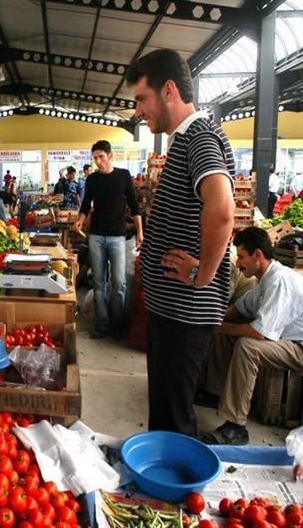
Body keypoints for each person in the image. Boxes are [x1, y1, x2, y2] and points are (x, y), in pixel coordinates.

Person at [126, 48, 235, 437]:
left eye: (142, 98)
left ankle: (178, 496)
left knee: (173, 421)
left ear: (168, 90)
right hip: (172, 309)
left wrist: (201, 273)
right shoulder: (186, 140)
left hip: (185, 311)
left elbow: (221, 209)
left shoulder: (199, 138)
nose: (138, 110)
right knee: (165, 415)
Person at [198, 228, 303, 445]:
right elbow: (239, 308)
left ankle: (236, 426)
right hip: (285, 339)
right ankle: (215, 393)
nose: (238, 264)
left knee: (248, 346)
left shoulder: (279, 280)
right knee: (223, 328)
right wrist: (214, 318)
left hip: (299, 346)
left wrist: (221, 327)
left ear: (258, 255)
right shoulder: (264, 279)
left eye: (242, 257)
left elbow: (259, 333)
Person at [74, 141, 142, 339]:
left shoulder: (123, 176)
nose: (98, 161)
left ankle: (117, 326)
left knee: (119, 283)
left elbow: (135, 206)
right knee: (99, 282)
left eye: (101, 157)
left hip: (117, 238)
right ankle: (102, 325)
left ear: (110, 156)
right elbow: (86, 204)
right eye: (95, 158)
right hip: (96, 237)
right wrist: (80, 220)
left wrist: (140, 232)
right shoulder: (93, 179)